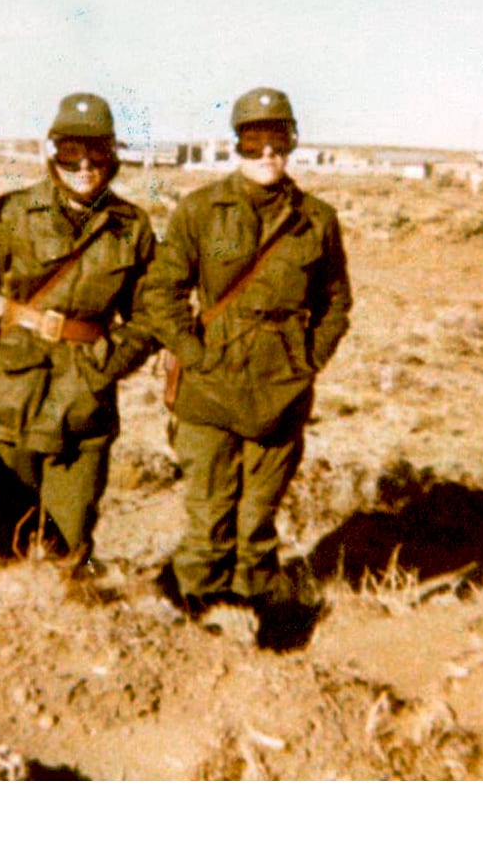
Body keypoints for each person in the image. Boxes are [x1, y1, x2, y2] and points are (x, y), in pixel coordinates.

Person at [0, 92, 158, 570]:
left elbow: (152, 314)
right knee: (10, 536)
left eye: (98, 151)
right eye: (72, 151)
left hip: (85, 402)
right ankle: (10, 627)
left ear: (113, 155)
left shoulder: (132, 227)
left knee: (69, 543)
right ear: (53, 151)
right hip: (11, 392)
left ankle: (62, 626)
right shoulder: (12, 214)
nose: (85, 164)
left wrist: (106, 366)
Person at [141, 87, 352, 616]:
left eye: (277, 142)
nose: (266, 155)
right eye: (254, 142)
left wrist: (308, 362)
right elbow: (162, 291)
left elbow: (336, 302)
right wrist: (194, 354)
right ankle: (193, 613)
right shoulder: (201, 210)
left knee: (257, 517)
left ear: (292, 144)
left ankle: (255, 615)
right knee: (209, 514)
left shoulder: (316, 220)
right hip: (209, 387)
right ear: (236, 145)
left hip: (279, 387)